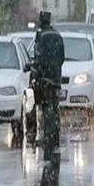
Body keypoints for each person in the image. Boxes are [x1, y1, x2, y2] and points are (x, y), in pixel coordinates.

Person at [30, 10, 65, 162]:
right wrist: (55, 69)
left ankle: (46, 136)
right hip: (56, 79)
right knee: (54, 108)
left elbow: (38, 57)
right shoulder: (57, 35)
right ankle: (55, 137)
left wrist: (38, 73)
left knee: (45, 108)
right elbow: (62, 56)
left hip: (44, 79)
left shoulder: (41, 36)